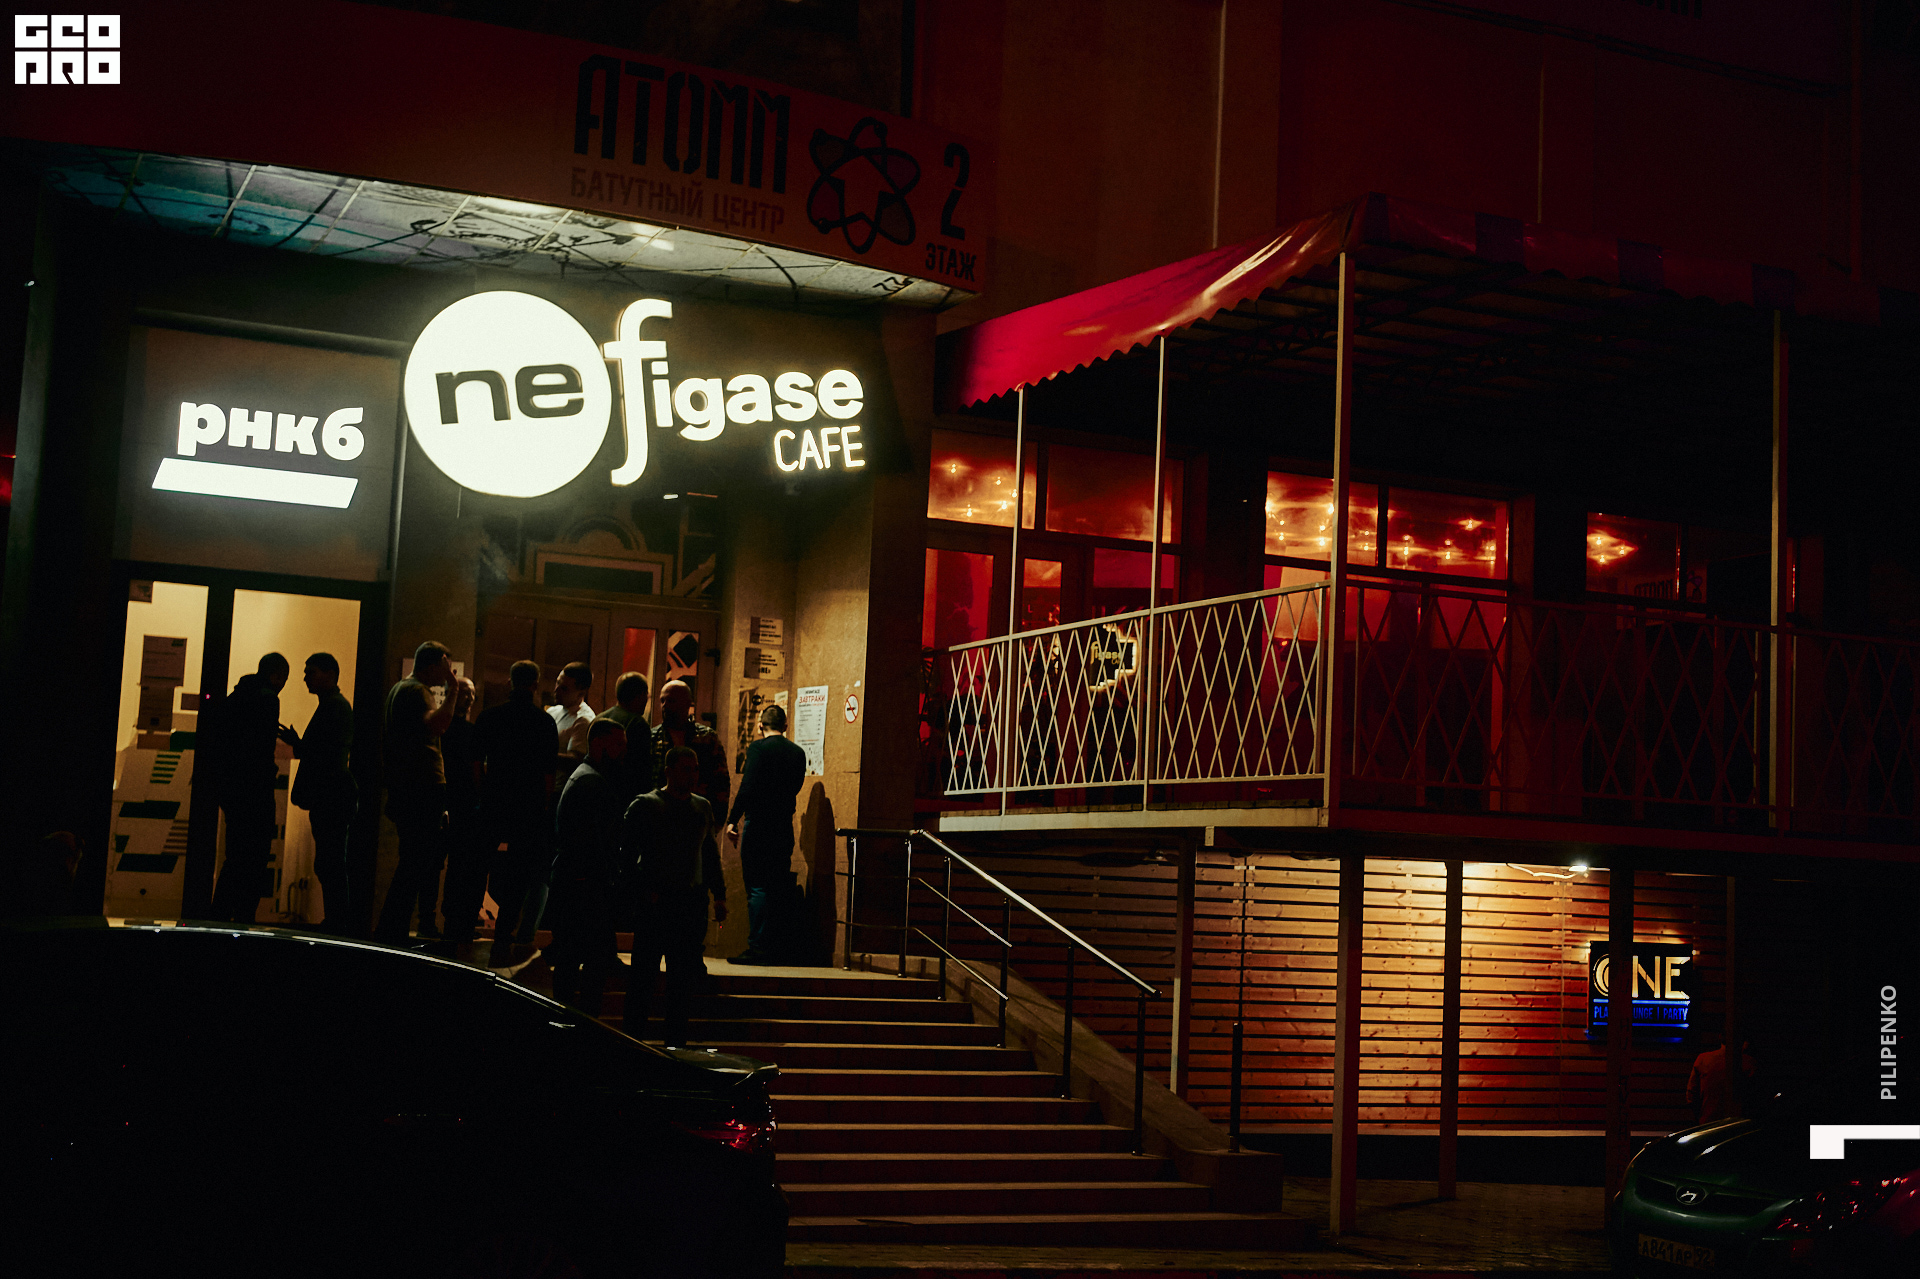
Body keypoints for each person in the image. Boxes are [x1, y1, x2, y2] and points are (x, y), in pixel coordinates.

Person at [621, 746, 729, 1047]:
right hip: (656, 905)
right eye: (685, 769)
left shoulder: (701, 807)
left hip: (688, 905)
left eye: (695, 769)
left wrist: (719, 895)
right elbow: (626, 855)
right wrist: (642, 892)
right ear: (668, 771)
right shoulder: (646, 805)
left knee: (680, 984)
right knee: (643, 979)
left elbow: (709, 855)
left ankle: (675, 1048)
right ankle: (632, 1044)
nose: (692, 776)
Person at [470, 659, 559, 965]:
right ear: (535, 685)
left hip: (494, 802)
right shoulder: (544, 722)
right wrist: (543, 805)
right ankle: (504, 938)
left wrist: (483, 792)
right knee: (519, 876)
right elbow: (549, 774)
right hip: (528, 807)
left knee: (478, 867)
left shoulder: (489, 717)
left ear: (509, 683)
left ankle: (465, 927)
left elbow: (475, 763)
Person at [375, 641, 462, 944]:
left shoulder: (400, 689)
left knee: (411, 861)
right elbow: (438, 725)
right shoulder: (417, 691)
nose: (448, 673)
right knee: (416, 863)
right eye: (446, 667)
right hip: (422, 787)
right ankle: (392, 932)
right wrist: (453, 690)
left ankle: (392, 929)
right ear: (436, 663)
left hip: (405, 786)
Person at [547, 718, 630, 1012]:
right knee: (587, 965)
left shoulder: (587, 777)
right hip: (584, 887)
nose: (623, 751)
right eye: (618, 744)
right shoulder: (591, 782)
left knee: (573, 962)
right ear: (598, 744)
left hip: (578, 883)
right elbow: (591, 842)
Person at [277, 652, 355, 934]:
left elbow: (323, 754)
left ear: (330, 674)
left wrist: (298, 744)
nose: (305, 677)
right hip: (332, 796)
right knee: (330, 861)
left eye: (311, 672)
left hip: (330, 797)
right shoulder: (335, 706)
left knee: (330, 862)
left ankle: (337, 921)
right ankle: (337, 920)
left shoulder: (334, 707)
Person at [725, 703, 808, 965]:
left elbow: (747, 786)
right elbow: (796, 786)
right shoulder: (798, 753)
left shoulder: (758, 749)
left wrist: (732, 819)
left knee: (757, 887)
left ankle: (758, 947)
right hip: (783, 827)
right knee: (777, 885)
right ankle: (777, 947)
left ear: (760, 726)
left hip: (759, 826)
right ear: (785, 726)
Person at [210, 653, 289, 925]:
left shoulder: (235, 696)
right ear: (276, 675)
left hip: (232, 790)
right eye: (284, 679)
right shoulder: (268, 699)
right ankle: (244, 917)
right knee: (255, 858)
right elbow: (261, 749)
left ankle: (219, 915)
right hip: (255, 791)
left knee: (234, 857)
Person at [416, 677, 477, 940]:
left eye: (471, 693)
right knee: (437, 864)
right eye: (464, 692)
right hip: (444, 800)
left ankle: (441, 920)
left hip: (458, 803)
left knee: (449, 866)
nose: (469, 698)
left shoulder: (466, 730)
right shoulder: (446, 728)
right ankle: (431, 920)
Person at [651, 680, 730, 816]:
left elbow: (721, 781)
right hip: (660, 814)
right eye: (662, 701)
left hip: (696, 814)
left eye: (671, 701)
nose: (665, 706)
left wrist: (717, 819)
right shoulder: (652, 737)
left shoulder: (706, 738)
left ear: (687, 703)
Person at [596, 670, 652, 796]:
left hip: (599, 790)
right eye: (647, 695)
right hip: (625, 794)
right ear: (640, 695)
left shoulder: (599, 719)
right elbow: (641, 771)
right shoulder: (637, 724)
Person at [1686, 1033, 1757, 1123]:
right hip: (1739, 1124)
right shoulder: (1749, 1062)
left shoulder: (1703, 1059)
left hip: (1708, 1121)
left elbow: (1691, 1096)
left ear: (1720, 1036)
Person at [550, 660, 597, 770]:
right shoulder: (553, 711)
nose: (556, 690)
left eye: (564, 688)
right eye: (557, 683)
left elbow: (575, 761)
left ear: (581, 693)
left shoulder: (583, 720)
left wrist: (540, 755)